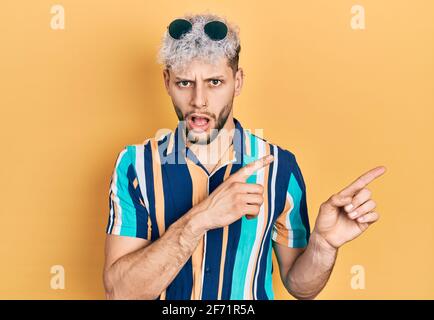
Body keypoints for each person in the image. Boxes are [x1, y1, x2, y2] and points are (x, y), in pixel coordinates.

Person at [102, 13, 386, 300]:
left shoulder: (281, 167)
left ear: (237, 82)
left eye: (215, 82)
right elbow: (121, 293)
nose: (199, 100)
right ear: (166, 82)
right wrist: (202, 218)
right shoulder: (134, 166)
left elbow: (300, 287)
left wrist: (323, 245)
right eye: (185, 83)